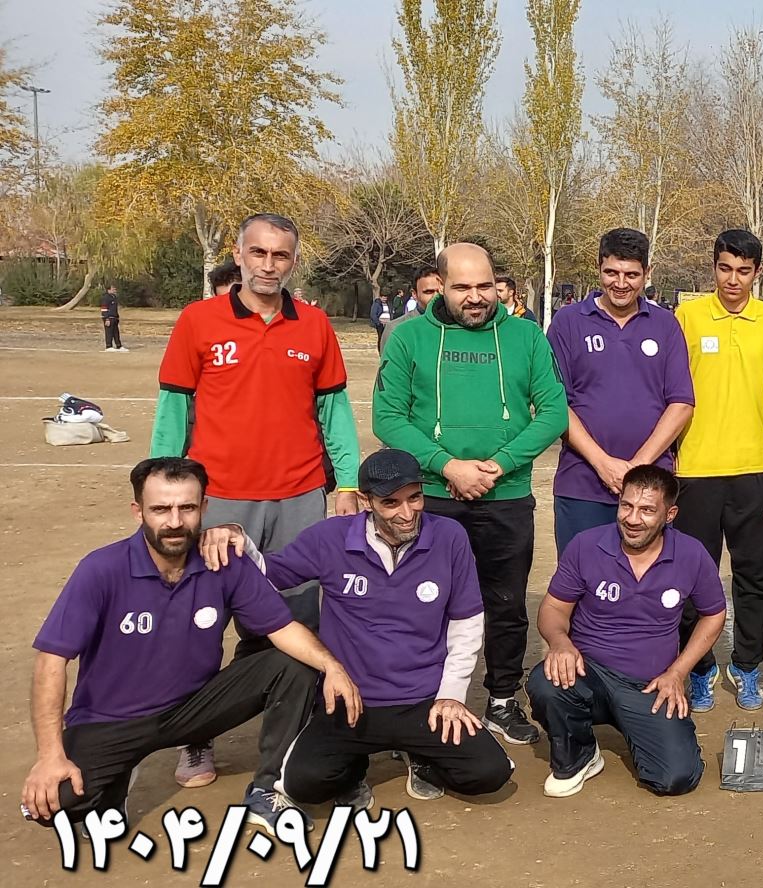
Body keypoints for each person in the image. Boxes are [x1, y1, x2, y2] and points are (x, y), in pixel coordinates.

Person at [22, 458, 360, 835]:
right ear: (138, 511)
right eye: (160, 509)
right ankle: (115, 784)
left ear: (204, 508)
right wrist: (50, 756)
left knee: (295, 663)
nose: (174, 521)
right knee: (55, 805)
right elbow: (51, 661)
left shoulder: (223, 561)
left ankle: (268, 790)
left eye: (186, 507)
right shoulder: (101, 569)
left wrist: (332, 666)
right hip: (111, 720)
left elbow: (282, 628)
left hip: (193, 708)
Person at [151, 213, 361, 789]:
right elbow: (173, 410)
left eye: (281, 255)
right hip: (218, 499)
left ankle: (291, 738)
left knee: (296, 622)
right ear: (239, 255)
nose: (269, 265)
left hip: (299, 497)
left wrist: (346, 483)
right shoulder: (197, 321)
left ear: (294, 260)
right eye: (259, 253)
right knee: (201, 622)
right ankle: (195, 737)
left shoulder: (315, 325)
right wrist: (163, 488)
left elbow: (334, 412)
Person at [201, 450, 513, 804]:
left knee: (490, 773)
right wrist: (238, 538)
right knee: (305, 783)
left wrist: (451, 695)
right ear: (366, 501)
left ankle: (422, 754)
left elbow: (466, 622)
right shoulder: (330, 538)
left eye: (414, 498)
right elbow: (268, 575)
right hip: (350, 700)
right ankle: (353, 767)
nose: (407, 513)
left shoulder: (449, 536)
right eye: (391, 503)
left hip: (423, 701)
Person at [373, 242, 569, 747]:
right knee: (426, 603)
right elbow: (387, 417)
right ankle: (426, 699)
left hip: (506, 495)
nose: (476, 297)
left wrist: (499, 464)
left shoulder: (526, 336)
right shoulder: (408, 338)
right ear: (440, 286)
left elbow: (553, 412)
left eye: (484, 285)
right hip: (432, 496)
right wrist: (448, 466)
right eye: (462, 287)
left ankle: (502, 698)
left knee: (506, 603)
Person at [529, 466, 726, 797]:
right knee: (545, 682)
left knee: (676, 778)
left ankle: (637, 725)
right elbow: (554, 608)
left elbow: (714, 613)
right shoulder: (586, 545)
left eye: (647, 510)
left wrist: (678, 673)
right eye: (626, 506)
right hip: (587, 672)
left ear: (669, 515)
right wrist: (560, 642)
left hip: (649, 685)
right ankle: (579, 755)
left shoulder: (691, 554)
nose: (633, 519)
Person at [672, 230, 763, 711]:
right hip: (694, 468)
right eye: (725, 268)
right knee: (690, 575)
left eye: (743, 271)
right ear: (713, 268)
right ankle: (699, 667)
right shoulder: (687, 317)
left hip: (755, 468)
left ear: (757, 272)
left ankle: (746, 666)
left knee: (756, 576)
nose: (733, 279)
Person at [546, 228, 695, 554]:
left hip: (650, 486)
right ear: (599, 267)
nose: (621, 283)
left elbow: (681, 402)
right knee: (583, 575)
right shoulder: (568, 322)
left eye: (631, 275)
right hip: (582, 484)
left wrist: (638, 467)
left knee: (648, 578)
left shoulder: (666, 325)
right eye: (611, 272)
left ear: (647, 273)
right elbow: (555, 403)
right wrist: (602, 463)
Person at [380, 266, 444, 354]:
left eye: (441, 291)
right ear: (414, 294)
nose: (436, 296)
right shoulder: (396, 330)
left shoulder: (456, 328)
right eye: (429, 292)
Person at [100, 284, 126, 352]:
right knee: (109, 332)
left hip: (114, 318)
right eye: (113, 289)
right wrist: (106, 318)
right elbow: (104, 309)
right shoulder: (106, 297)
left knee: (116, 333)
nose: (114, 290)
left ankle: (119, 346)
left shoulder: (114, 297)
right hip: (109, 318)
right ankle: (109, 346)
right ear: (108, 290)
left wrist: (117, 317)